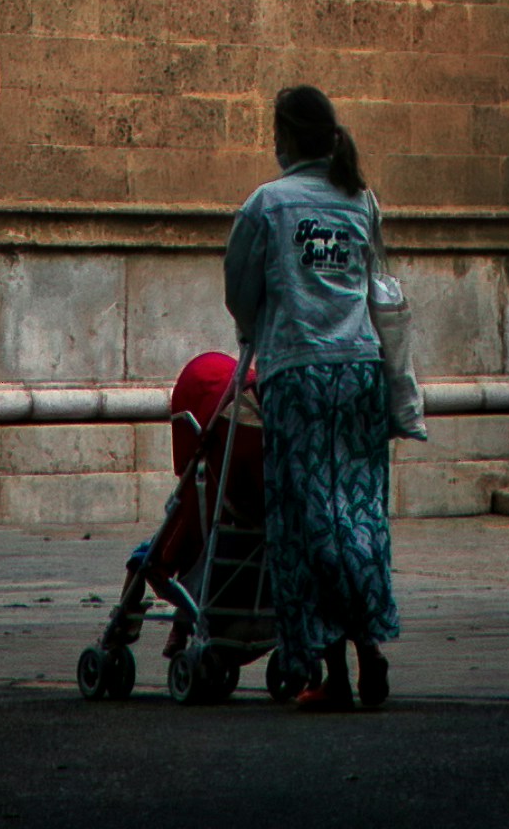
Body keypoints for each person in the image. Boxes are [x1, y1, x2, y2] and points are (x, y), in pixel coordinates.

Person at [225, 82, 399, 714]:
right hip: (360, 374)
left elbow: (240, 295)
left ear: (286, 138)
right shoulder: (361, 201)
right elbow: (376, 283)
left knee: (308, 521)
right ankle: (369, 650)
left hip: (296, 377)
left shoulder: (267, 205)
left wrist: (260, 326)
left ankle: (333, 670)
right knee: (356, 514)